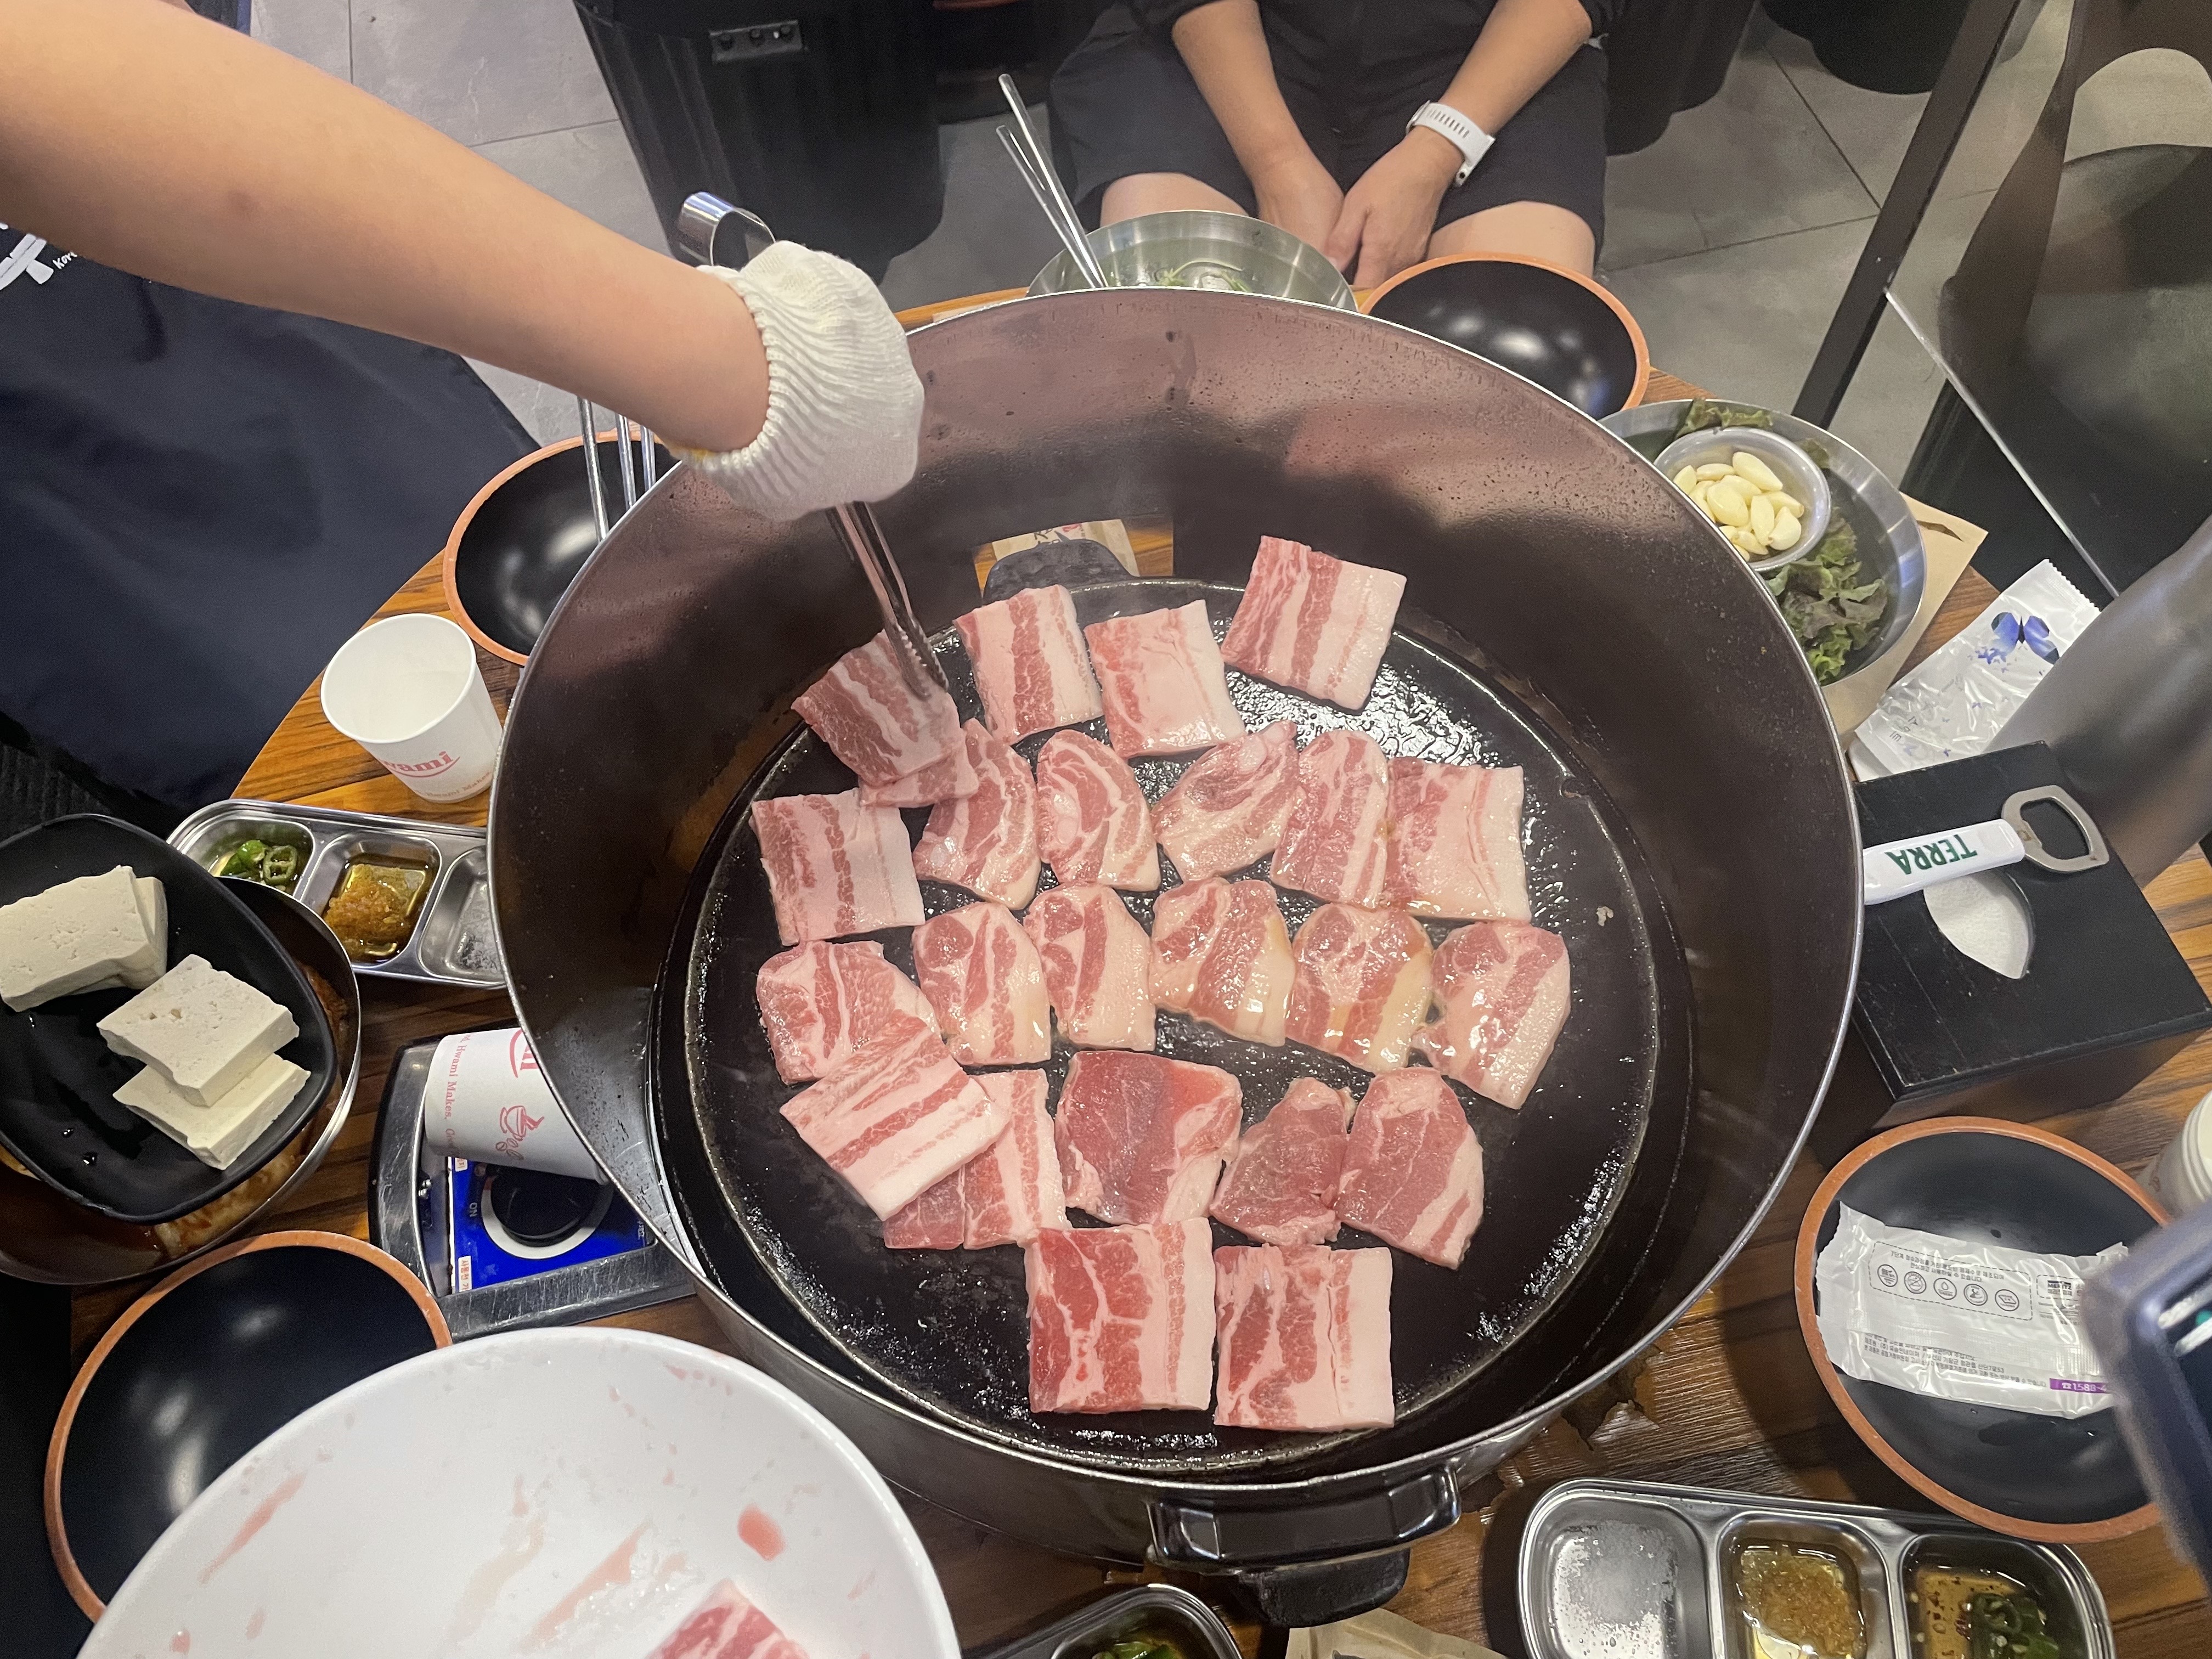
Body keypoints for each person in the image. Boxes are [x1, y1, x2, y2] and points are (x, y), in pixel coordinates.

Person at [0, 0, 921, 813]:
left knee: (482, 558)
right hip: (53, 494)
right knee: (284, 739)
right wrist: (714, 351)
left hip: (218, 251)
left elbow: (105, 50)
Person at [1052, 0, 1618, 284]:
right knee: (1174, 325)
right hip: (1219, 40)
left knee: (1516, 339)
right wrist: (1276, 163)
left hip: (1486, 54)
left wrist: (1442, 145)